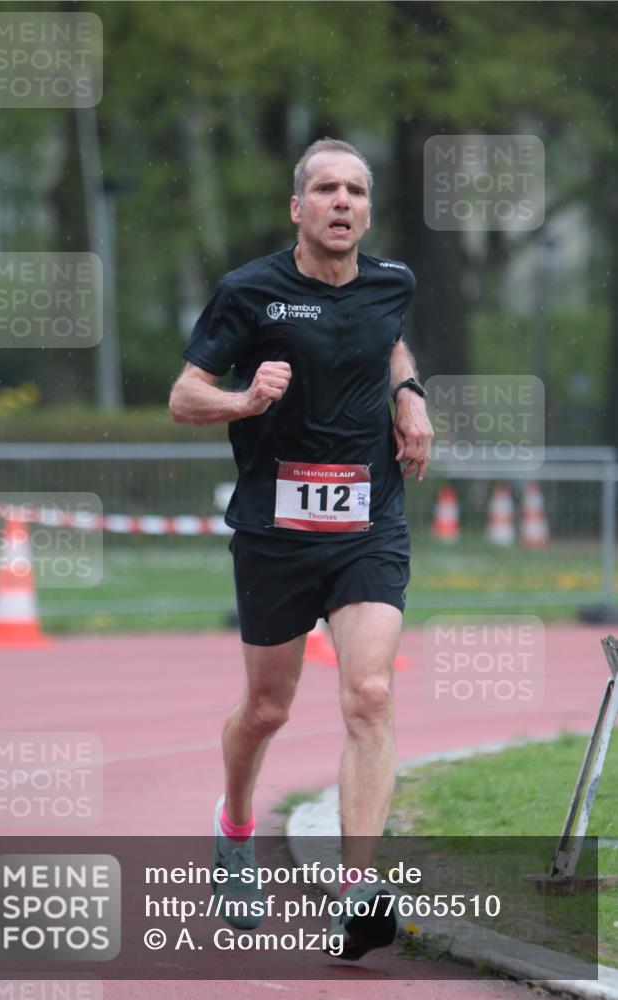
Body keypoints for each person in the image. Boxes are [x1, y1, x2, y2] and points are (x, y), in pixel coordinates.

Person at [169, 137, 434, 960]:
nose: (341, 202)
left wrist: (409, 394)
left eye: (355, 190)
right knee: (268, 709)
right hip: (276, 532)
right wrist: (244, 399)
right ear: (298, 208)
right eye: (325, 189)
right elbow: (183, 398)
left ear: (366, 210)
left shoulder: (392, 282)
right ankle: (235, 827)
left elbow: (385, 336)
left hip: (366, 521)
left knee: (369, 693)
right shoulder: (249, 291)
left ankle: (355, 890)